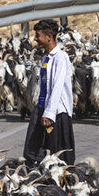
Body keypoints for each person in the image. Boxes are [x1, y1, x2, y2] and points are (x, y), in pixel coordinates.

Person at [24, 19, 75, 166]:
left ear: (49, 37)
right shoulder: (46, 57)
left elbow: (57, 86)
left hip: (57, 112)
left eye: (37, 35)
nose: (35, 39)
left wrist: (50, 113)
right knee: (33, 150)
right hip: (42, 107)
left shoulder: (61, 58)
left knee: (59, 153)